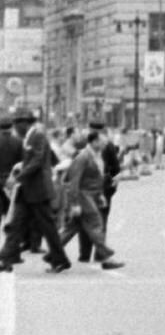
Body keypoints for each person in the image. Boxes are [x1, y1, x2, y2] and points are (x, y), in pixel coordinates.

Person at [0, 115, 71, 273]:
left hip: (38, 191)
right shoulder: (28, 137)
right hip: (27, 190)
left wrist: (19, 177)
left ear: (25, 124)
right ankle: (6, 258)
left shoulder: (37, 136)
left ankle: (60, 260)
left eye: (17, 125)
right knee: (16, 225)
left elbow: (37, 161)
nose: (16, 129)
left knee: (48, 227)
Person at [58, 129, 124, 269]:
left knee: (71, 228)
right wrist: (75, 203)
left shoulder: (95, 156)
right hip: (84, 197)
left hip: (92, 196)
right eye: (101, 141)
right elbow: (74, 182)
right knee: (96, 224)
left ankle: (53, 253)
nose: (104, 143)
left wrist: (100, 195)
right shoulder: (83, 157)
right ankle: (106, 258)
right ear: (94, 142)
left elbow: (96, 178)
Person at [0, 115, 21, 229]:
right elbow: (21, 164)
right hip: (13, 182)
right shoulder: (18, 142)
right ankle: (10, 239)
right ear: (12, 127)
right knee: (11, 211)